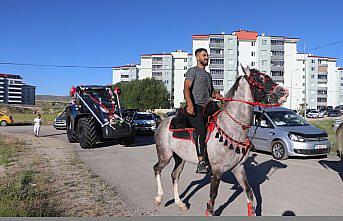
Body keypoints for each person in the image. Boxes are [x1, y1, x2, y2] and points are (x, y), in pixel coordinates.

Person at [184, 48, 223, 173]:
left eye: (207, 55)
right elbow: (186, 88)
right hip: (196, 106)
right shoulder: (192, 71)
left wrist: (217, 95)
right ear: (197, 57)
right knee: (201, 130)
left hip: (208, 106)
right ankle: (201, 161)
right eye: (204, 55)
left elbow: (211, 92)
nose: (206, 57)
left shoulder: (208, 75)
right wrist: (190, 104)